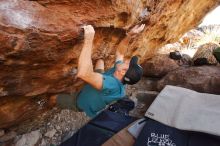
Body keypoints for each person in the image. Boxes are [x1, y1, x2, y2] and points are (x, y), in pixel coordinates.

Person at [51, 24, 145, 118]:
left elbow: (83, 73)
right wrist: (130, 35)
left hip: (80, 101)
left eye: (129, 64)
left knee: (53, 98)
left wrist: (88, 40)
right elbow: (120, 53)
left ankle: (49, 106)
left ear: (123, 72)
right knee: (100, 61)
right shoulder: (120, 72)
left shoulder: (112, 85)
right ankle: (95, 79)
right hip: (101, 83)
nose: (127, 60)